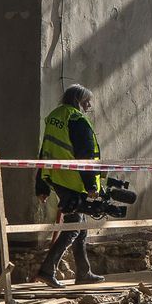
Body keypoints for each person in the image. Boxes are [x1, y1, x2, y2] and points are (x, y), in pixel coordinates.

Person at [37, 84, 106, 288]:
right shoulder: (77, 119)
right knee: (75, 226)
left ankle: (83, 272)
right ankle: (47, 270)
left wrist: (41, 186)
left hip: (56, 177)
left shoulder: (55, 116)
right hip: (73, 180)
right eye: (87, 102)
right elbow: (85, 155)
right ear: (79, 101)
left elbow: (44, 152)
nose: (89, 106)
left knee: (80, 225)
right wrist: (92, 184)